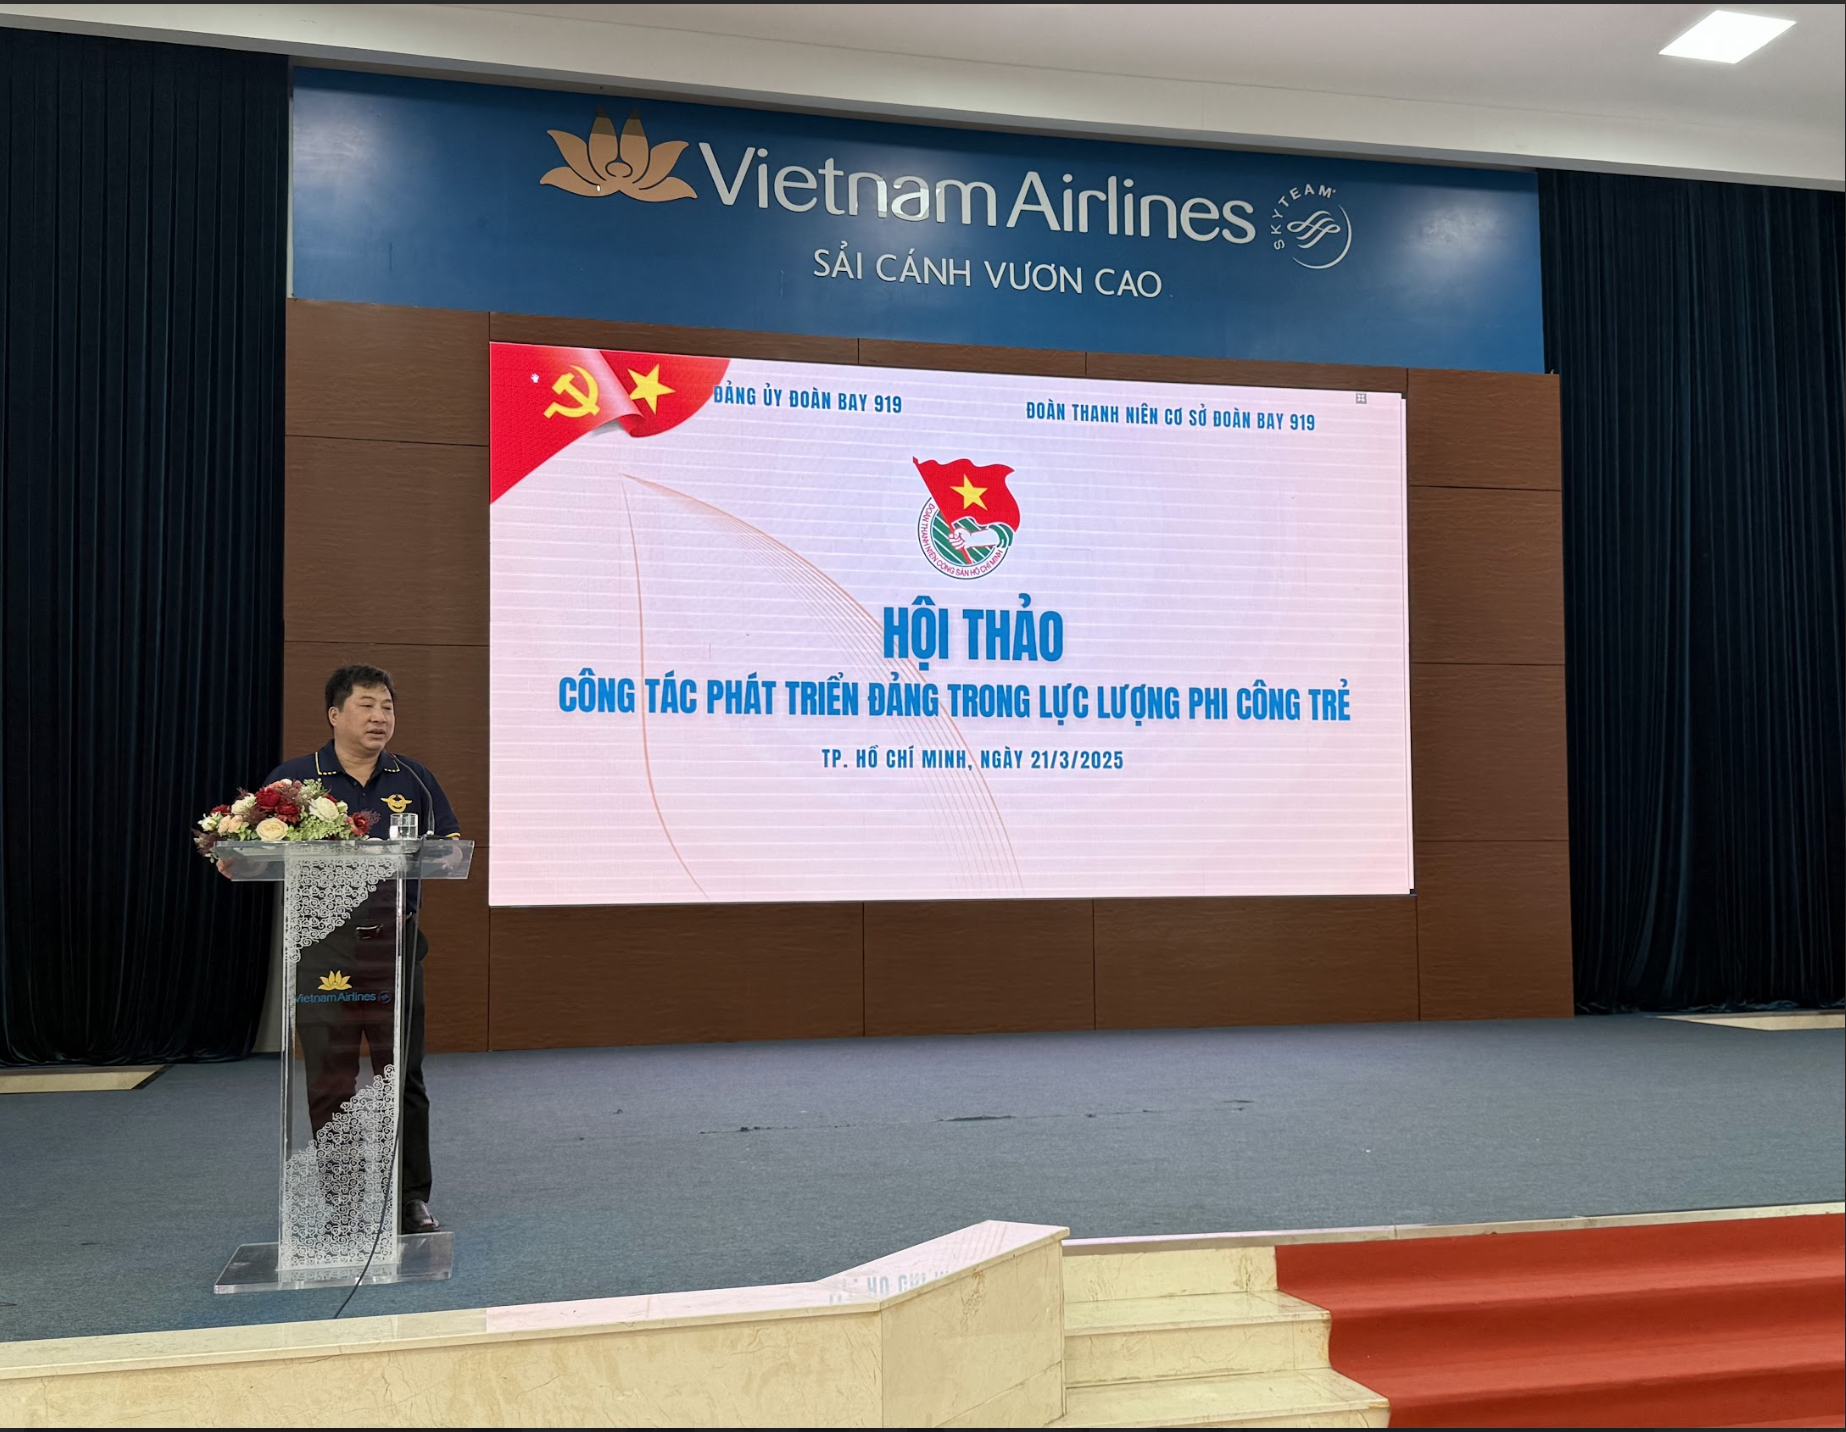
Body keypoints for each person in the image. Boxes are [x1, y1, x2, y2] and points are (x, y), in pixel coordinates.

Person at [265, 663, 461, 1236]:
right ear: (335, 714)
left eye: (388, 707)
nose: (380, 717)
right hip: (323, 950)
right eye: (367, 706)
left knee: (403, 1078)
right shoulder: (295, 781)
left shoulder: (415, 778)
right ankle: (344, 1201)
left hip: (394, 946)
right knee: (331, 1079)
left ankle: (410, 1199)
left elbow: (450, 847)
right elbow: (250, 847)